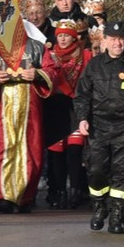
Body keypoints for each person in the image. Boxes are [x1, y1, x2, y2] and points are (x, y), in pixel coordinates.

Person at [74, 20, 124, 235]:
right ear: (105, 41)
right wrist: (82, 118)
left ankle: (116, 214)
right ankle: (99, 206)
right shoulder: (95, 65)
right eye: (112, 39)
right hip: (99, 127)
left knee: (123, 174)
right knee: (97, 170)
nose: (117, 43)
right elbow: (82, 95)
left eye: (120, 39)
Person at [0, 37, 51, 213]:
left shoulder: (36, 47)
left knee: (30, 149)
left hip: (29, 103)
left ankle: (25, 196)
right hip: (1, 103)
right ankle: (2, 195)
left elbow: (53, 69)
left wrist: (37, 74)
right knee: (3, 148)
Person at [41, 19, 93, 209]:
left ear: (74, 38)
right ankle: (59, 190)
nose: (62, 39)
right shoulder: (49, 54)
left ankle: (75, 190)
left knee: (74, 151)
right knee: (56, 152)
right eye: (60, 35)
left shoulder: (85, 55)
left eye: (66, 36)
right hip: (55, 106)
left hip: (76, 106)